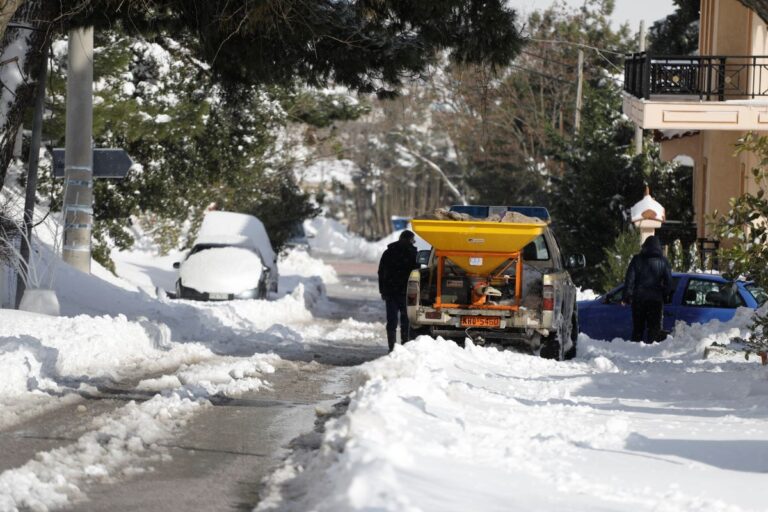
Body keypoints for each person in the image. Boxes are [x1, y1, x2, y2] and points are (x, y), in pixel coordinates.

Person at [623, 235, 673, 343]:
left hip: (639, 299)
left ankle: (636, 349)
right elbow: (669, 283)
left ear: (644, 246)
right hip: (656, 300)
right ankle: (651, 351)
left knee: (638, 328)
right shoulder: (663, 261)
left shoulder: (637, 260)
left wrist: (627, 296)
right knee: (654, 329)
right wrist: (664, 294)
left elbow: (629, 279)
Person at [378, 230, 419, 352]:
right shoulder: (413, 254)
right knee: (406, 321)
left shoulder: (389, 252)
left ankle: (392, 348)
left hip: (391, 292)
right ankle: (404, 347)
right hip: (407, 293)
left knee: (392, 321)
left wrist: (382, 291)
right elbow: (417, 275)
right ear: (410, 240)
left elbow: (381, 273)